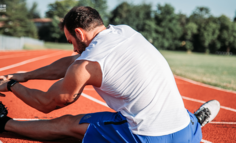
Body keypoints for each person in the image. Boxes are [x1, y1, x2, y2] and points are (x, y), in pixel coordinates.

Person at [0, 6, 220, 143]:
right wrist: (23, 75)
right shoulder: (125, 31)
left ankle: (3, 124)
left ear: (78, 33)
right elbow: (71, 63)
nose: (74, 49)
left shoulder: (87, 64)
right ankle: (196, 122)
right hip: (184, 131)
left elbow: (47, 103)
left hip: (145, 137)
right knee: (170, 110)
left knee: (67, 125)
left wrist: (11, 86)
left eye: (71, 42)